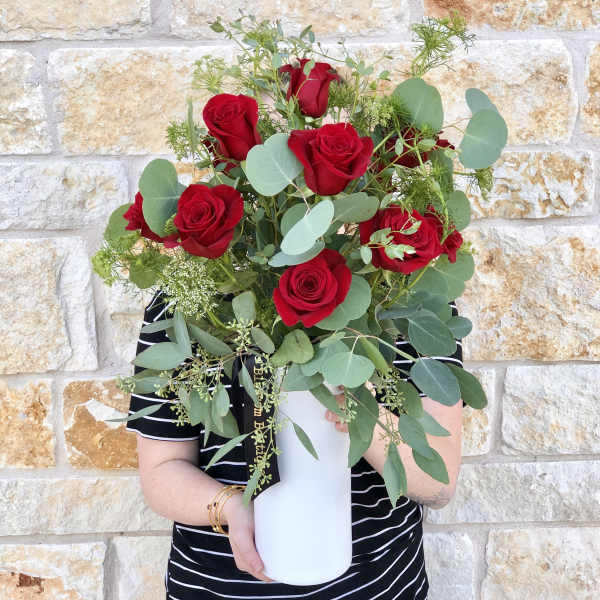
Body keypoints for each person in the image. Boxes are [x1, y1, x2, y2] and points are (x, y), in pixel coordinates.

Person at [126, 288, 465, 599]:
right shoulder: (182, 301)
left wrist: (365, 416)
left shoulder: (410, 297)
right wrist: (232, 508)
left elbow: (440, 484)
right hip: (218, 588)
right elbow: (161, 470)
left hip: (377, 585)